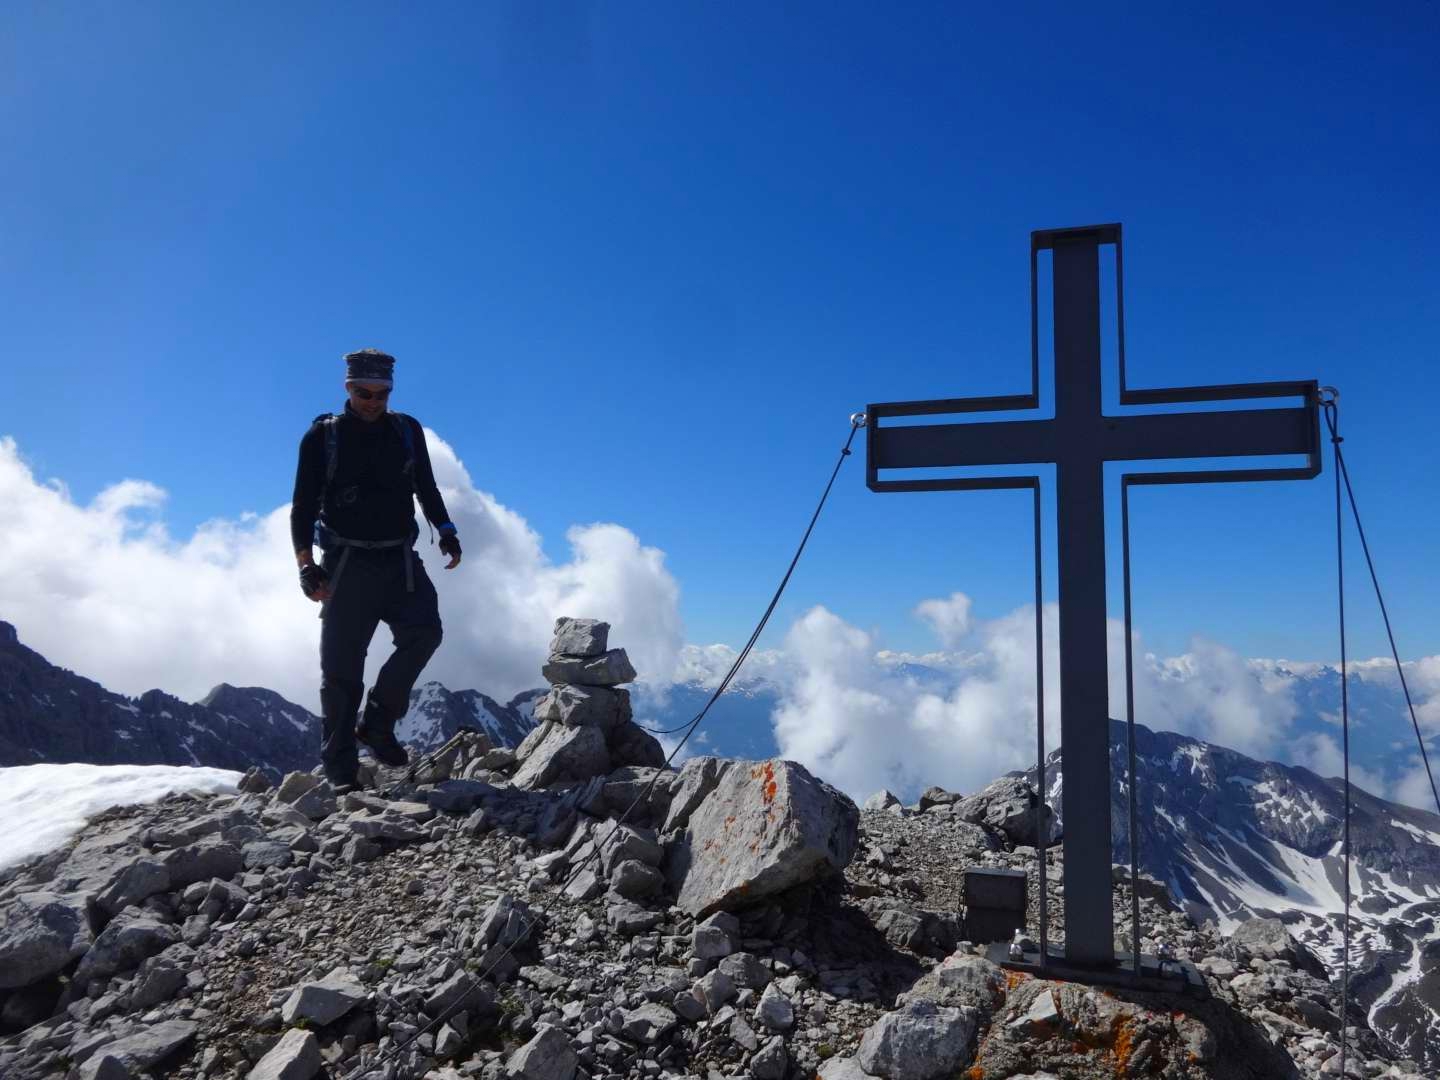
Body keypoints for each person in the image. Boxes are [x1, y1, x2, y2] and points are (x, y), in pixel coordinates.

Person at [290, 349, 462, 793]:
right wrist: (306, 565)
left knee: (425, 633)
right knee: (341, 670)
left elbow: (425, 483)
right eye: (364, 392)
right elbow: (303, 506)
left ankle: (378, 723)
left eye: (381, 393)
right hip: (346, 564)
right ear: (347, 387)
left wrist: (445, 529)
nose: (372, 401)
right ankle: (341, 769)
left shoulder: (405, 431)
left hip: (399, 559)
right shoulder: (322, 437)